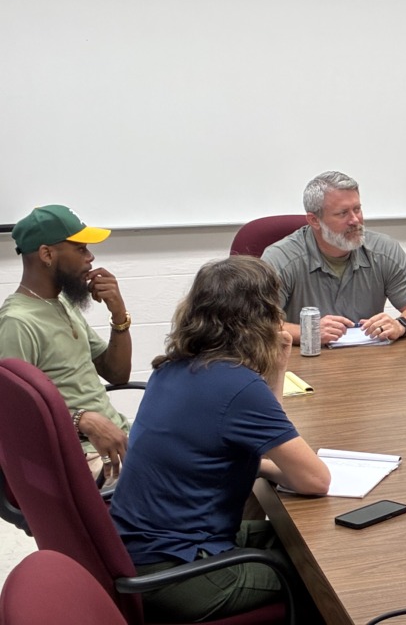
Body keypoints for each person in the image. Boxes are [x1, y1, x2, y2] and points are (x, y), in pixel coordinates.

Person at [109, 256, 331, 622]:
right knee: (321, 572)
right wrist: (274, 468)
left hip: (144, 551)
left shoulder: (173, 367)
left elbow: (257, 446)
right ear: (262, 317)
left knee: (300, 541)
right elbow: (316, 480)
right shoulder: (236, 385)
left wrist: (275, 370)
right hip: (179, 573)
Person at [0, 204, 132, 484]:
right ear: (47, 254)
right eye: (81, 248)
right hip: (85, 457)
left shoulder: (62, 304)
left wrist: (119, 315)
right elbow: (14, 417)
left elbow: (117, 373)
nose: (90, 257)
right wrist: (80, 419)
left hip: (117, 439)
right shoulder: (17, 322)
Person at [261, 171, 406, 346]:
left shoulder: (383, 250)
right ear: (314, 220)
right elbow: (256, 324)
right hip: (306, 361)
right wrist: (308, 332)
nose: (355, 220)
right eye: (343, 213)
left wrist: (400, 325)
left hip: (368, 361)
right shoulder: (281, 259)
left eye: (357, 209)